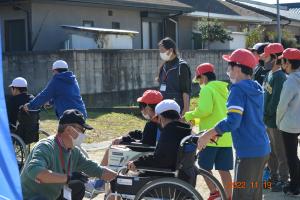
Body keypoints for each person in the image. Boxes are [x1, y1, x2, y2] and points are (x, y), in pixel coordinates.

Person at [197, 49, 270, 200]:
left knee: (242, 195)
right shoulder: (256, 86)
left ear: (237, 68)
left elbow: (233, 122)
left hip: (248, 151)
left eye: (229, 67)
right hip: (262, 147)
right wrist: (218, 132)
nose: (227, 71)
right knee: (254, 192)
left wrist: (208, 134)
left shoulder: (237, 89)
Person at [20, 109, 117, 200]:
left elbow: (93, 168)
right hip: (32, 197)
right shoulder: (46, 147)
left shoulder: (74, 151)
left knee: (78, 187)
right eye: (82, 130)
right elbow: (35, 171)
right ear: (69, 130)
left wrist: (117, 177)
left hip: (52, 194)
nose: (83, 134)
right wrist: (68, 177)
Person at [184, 63, 233, 200]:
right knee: (224, 169)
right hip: (226, 135)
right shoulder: (224, 89)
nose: (199, 82)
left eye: (199, 79)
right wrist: (197, 121)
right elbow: (216, 113)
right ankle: (229, 197)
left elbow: (205, 110)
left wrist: (189, 115)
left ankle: (214, 193)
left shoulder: (207, 89)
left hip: (210, 136)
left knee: (204, 167)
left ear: (204, 77)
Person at [127, 99, 193, 183]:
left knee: (121, 180)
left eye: (157, 117)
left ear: (161, 117)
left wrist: (137, 162)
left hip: (162, 175)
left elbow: (160, 159)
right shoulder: (185, 130)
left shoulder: (169, 132)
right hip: (180, 173)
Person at [100, 90, 163, 166]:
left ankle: (101, 174)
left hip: (147, 153)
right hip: (155, 152)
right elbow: (149, 137)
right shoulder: (161, 121)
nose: (142, 110)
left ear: (148, 107)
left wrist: (125, 140)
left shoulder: (152, 124)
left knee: (111, 148)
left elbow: (144, 146)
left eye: (141, 106)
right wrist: (131, 134)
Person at [261, 43, 289, 191]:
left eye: (267, 57)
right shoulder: (269, 74)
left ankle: (284, 180)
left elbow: (276, 102)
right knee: (270, 151)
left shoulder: (280, 77)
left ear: (275, 57)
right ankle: (274, 177)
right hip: (267, 120)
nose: (264, 59)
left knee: (280, 152)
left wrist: (266, 114)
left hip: (276, 122)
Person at [23, 60, 87, 119]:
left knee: (63, 131)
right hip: (81, 113)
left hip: (69, 116)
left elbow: (44, 95)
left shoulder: (57, 79)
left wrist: (30, 106)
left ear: (55, 70)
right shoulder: (72, 79)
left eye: (53, 71)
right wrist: (51, 102)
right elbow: (65, 94)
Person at [277, 48, 300, 195]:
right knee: (295, 156)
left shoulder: (290, 81)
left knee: (291, 156)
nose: (282, 63)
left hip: (289, 125)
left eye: (283, 60)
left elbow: (282, 106)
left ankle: (295, 187)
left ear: (288, 63)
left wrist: (278, 122)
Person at [157, 37, 191, 115]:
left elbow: (186, 91)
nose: (161, 53)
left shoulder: (182, 66)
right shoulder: (164, 66)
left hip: (177, 107)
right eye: (160, 51)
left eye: (162, 51)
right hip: (164, 107)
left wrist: (186, 110)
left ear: (171, 50)